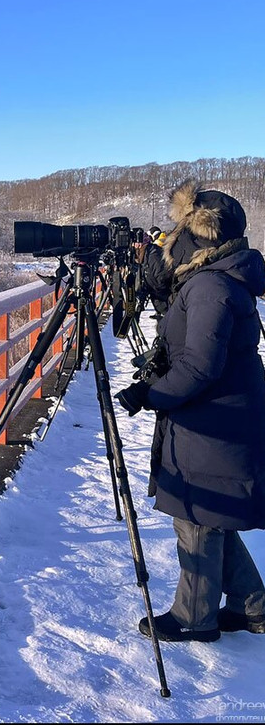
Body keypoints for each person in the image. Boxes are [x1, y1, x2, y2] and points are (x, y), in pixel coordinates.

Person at [116, 179, 265, 642]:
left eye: (179, 232)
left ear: (199, 236)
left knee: (198, 513)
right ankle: (250, 605)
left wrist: (150, 394)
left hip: (214, 422)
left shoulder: (209, 286)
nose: (171, 243)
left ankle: (193, 617)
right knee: (212, 514)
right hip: (225, 417)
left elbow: (199, 365)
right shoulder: (218, 279)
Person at [137, 226, 173, 319]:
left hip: (165, 299)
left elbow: (162, 278)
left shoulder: (153, 254)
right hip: (160, 299)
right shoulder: (146, 256)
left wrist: (156, 290)